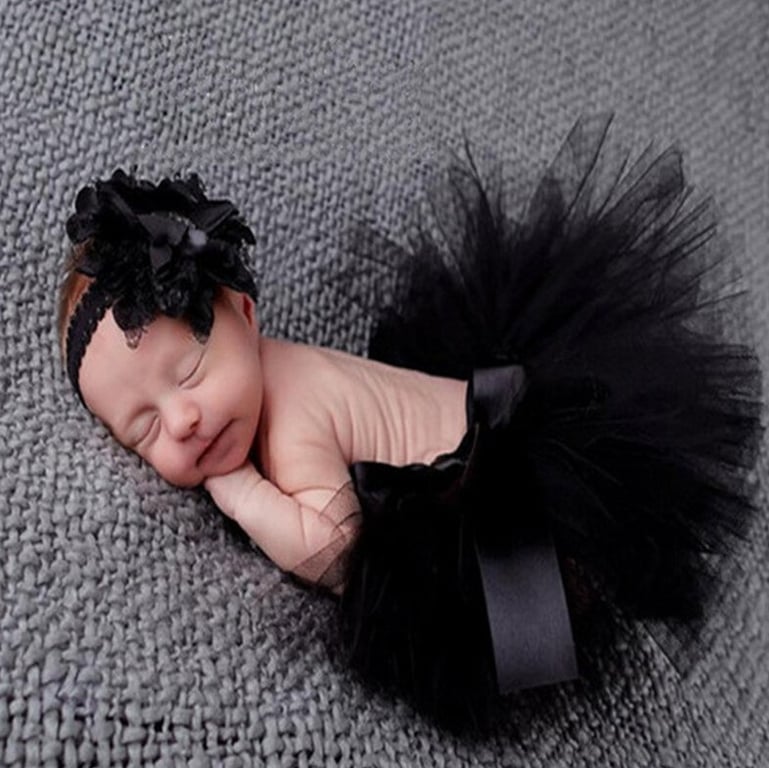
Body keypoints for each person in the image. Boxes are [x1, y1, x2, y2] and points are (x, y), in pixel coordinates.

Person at [58, 115, 763, 730]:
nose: (182, 420)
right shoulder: (267, 377)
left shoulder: (294, 412)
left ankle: (577, 578)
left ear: (246, 314)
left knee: (503, 598)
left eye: (189, 373)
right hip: (487, 418)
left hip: (495, 483)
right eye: (143, 429)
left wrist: (238, 491)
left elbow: (336, 550)